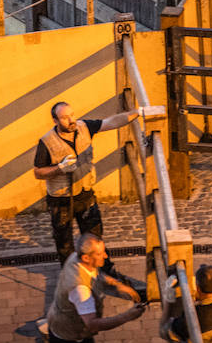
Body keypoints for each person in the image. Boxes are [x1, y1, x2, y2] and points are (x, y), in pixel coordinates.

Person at [34, 101, 141, 266]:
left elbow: (111, 122)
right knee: (64, 243)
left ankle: (103, 271)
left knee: (95, 237)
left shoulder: (84, 127)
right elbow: (38, 172)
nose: (71, 120)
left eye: (72, 115)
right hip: (61, 199)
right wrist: (59, 169)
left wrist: (138, 112)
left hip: (85, 194)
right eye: (64, 118)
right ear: (55, 121)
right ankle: (71, 277)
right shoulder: (47, 142)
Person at [45, 233, 148, 343]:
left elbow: (96, 274)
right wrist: (127, 316)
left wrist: (116, 284)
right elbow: (93, 324)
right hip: (73, 335)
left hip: (59, 319)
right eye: (100, 254)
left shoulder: (75, 258)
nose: (105, 256)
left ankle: (53, 339)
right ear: (86, 257)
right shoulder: (81, 290)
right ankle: (56, 341)